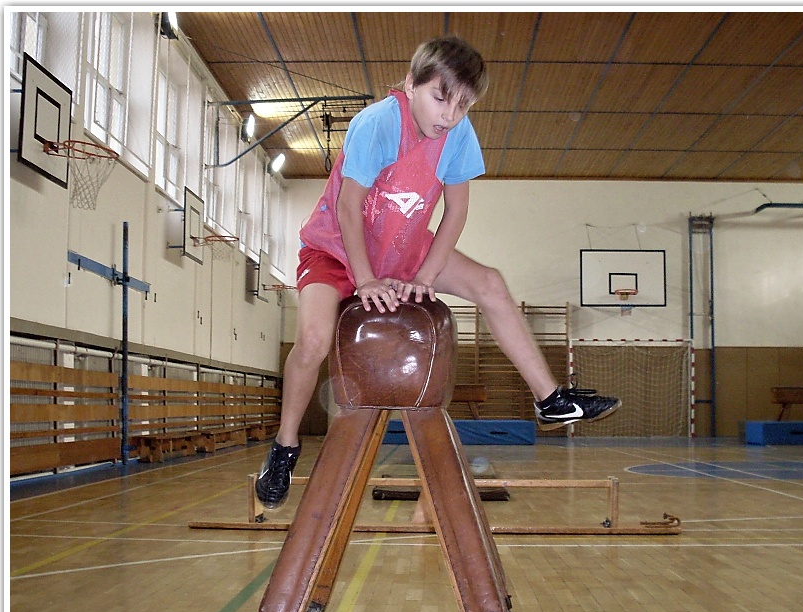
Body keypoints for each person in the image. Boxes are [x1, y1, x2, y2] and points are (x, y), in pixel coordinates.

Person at [256, 36, 621, 509]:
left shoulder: (458, 134)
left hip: (403, 247)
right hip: (337, 249)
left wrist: (425, 277)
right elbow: (348, 208)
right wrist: (365, 281)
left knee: (490, 283)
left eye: (463, 105)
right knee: (311, 340)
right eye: (440, 97)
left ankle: (550, 399)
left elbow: (456, 212)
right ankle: (285, 446)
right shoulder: (378, 124)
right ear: (411, 84)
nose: (449, 114)